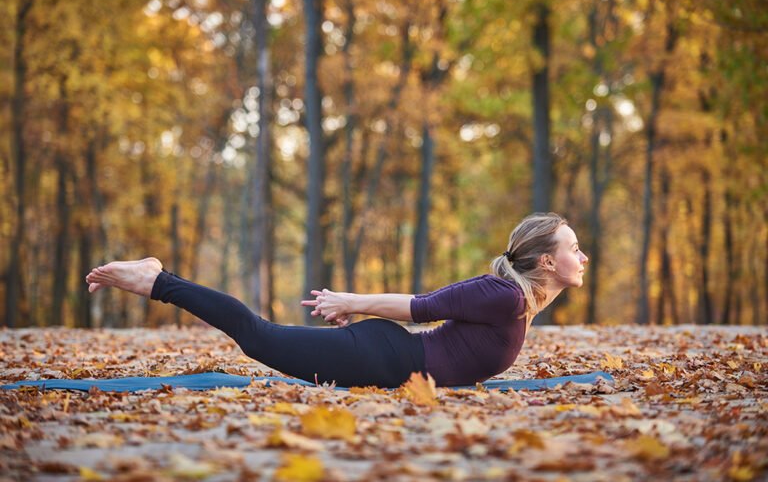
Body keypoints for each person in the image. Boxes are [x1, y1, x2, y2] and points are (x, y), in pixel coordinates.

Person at [85, 212, 588, 388]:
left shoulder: (513, 300)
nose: (581, 256)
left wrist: (357, 306)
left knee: (261, 338)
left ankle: (158, 280)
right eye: (573, 248)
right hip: (385, 358)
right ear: (546, 261)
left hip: (389, 358)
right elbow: (422, 305)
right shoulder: (502, 295)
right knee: (258, 337)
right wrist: (353, 300)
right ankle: (158, 279)